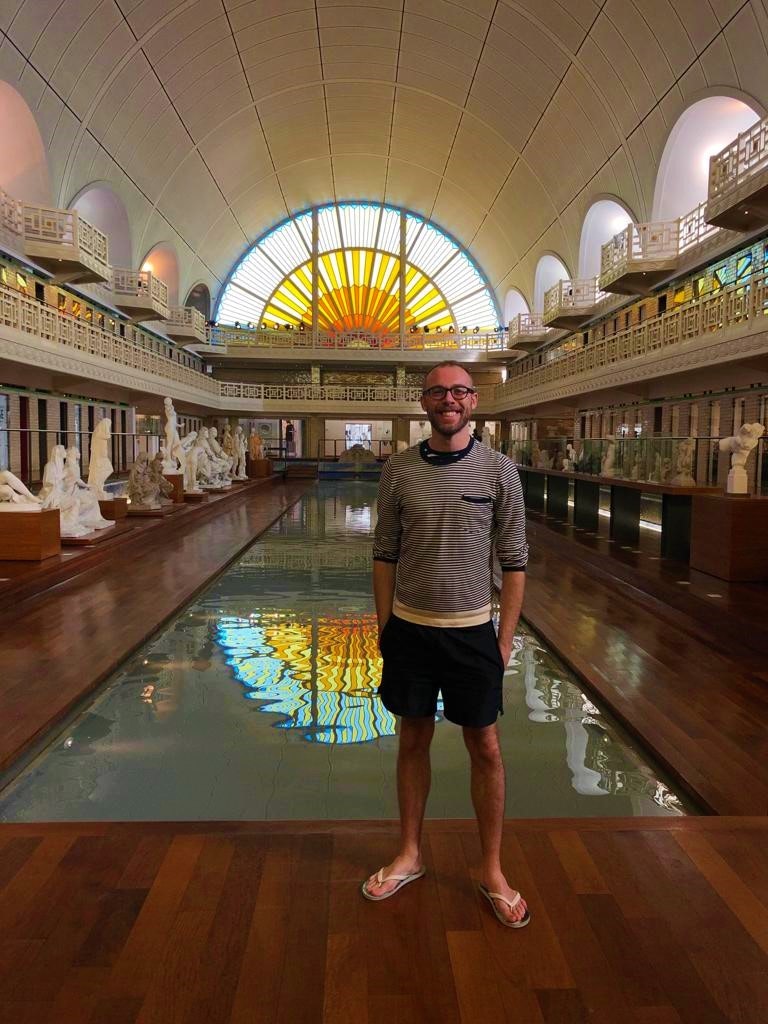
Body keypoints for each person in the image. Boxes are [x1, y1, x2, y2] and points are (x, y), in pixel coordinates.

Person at [363, 360, 530, 928]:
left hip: (472, 631)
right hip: (410, 629)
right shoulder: (398, 471)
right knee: (413, 738)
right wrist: (386, 627)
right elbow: (384, 552)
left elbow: (515, 561)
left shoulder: (500, 472)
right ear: (424, 402)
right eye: (437, 392)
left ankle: (493, 870)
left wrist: (504, 641)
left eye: (458, 391)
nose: (448, 400)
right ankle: (410, 853)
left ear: (473, 400)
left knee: (486, 747)